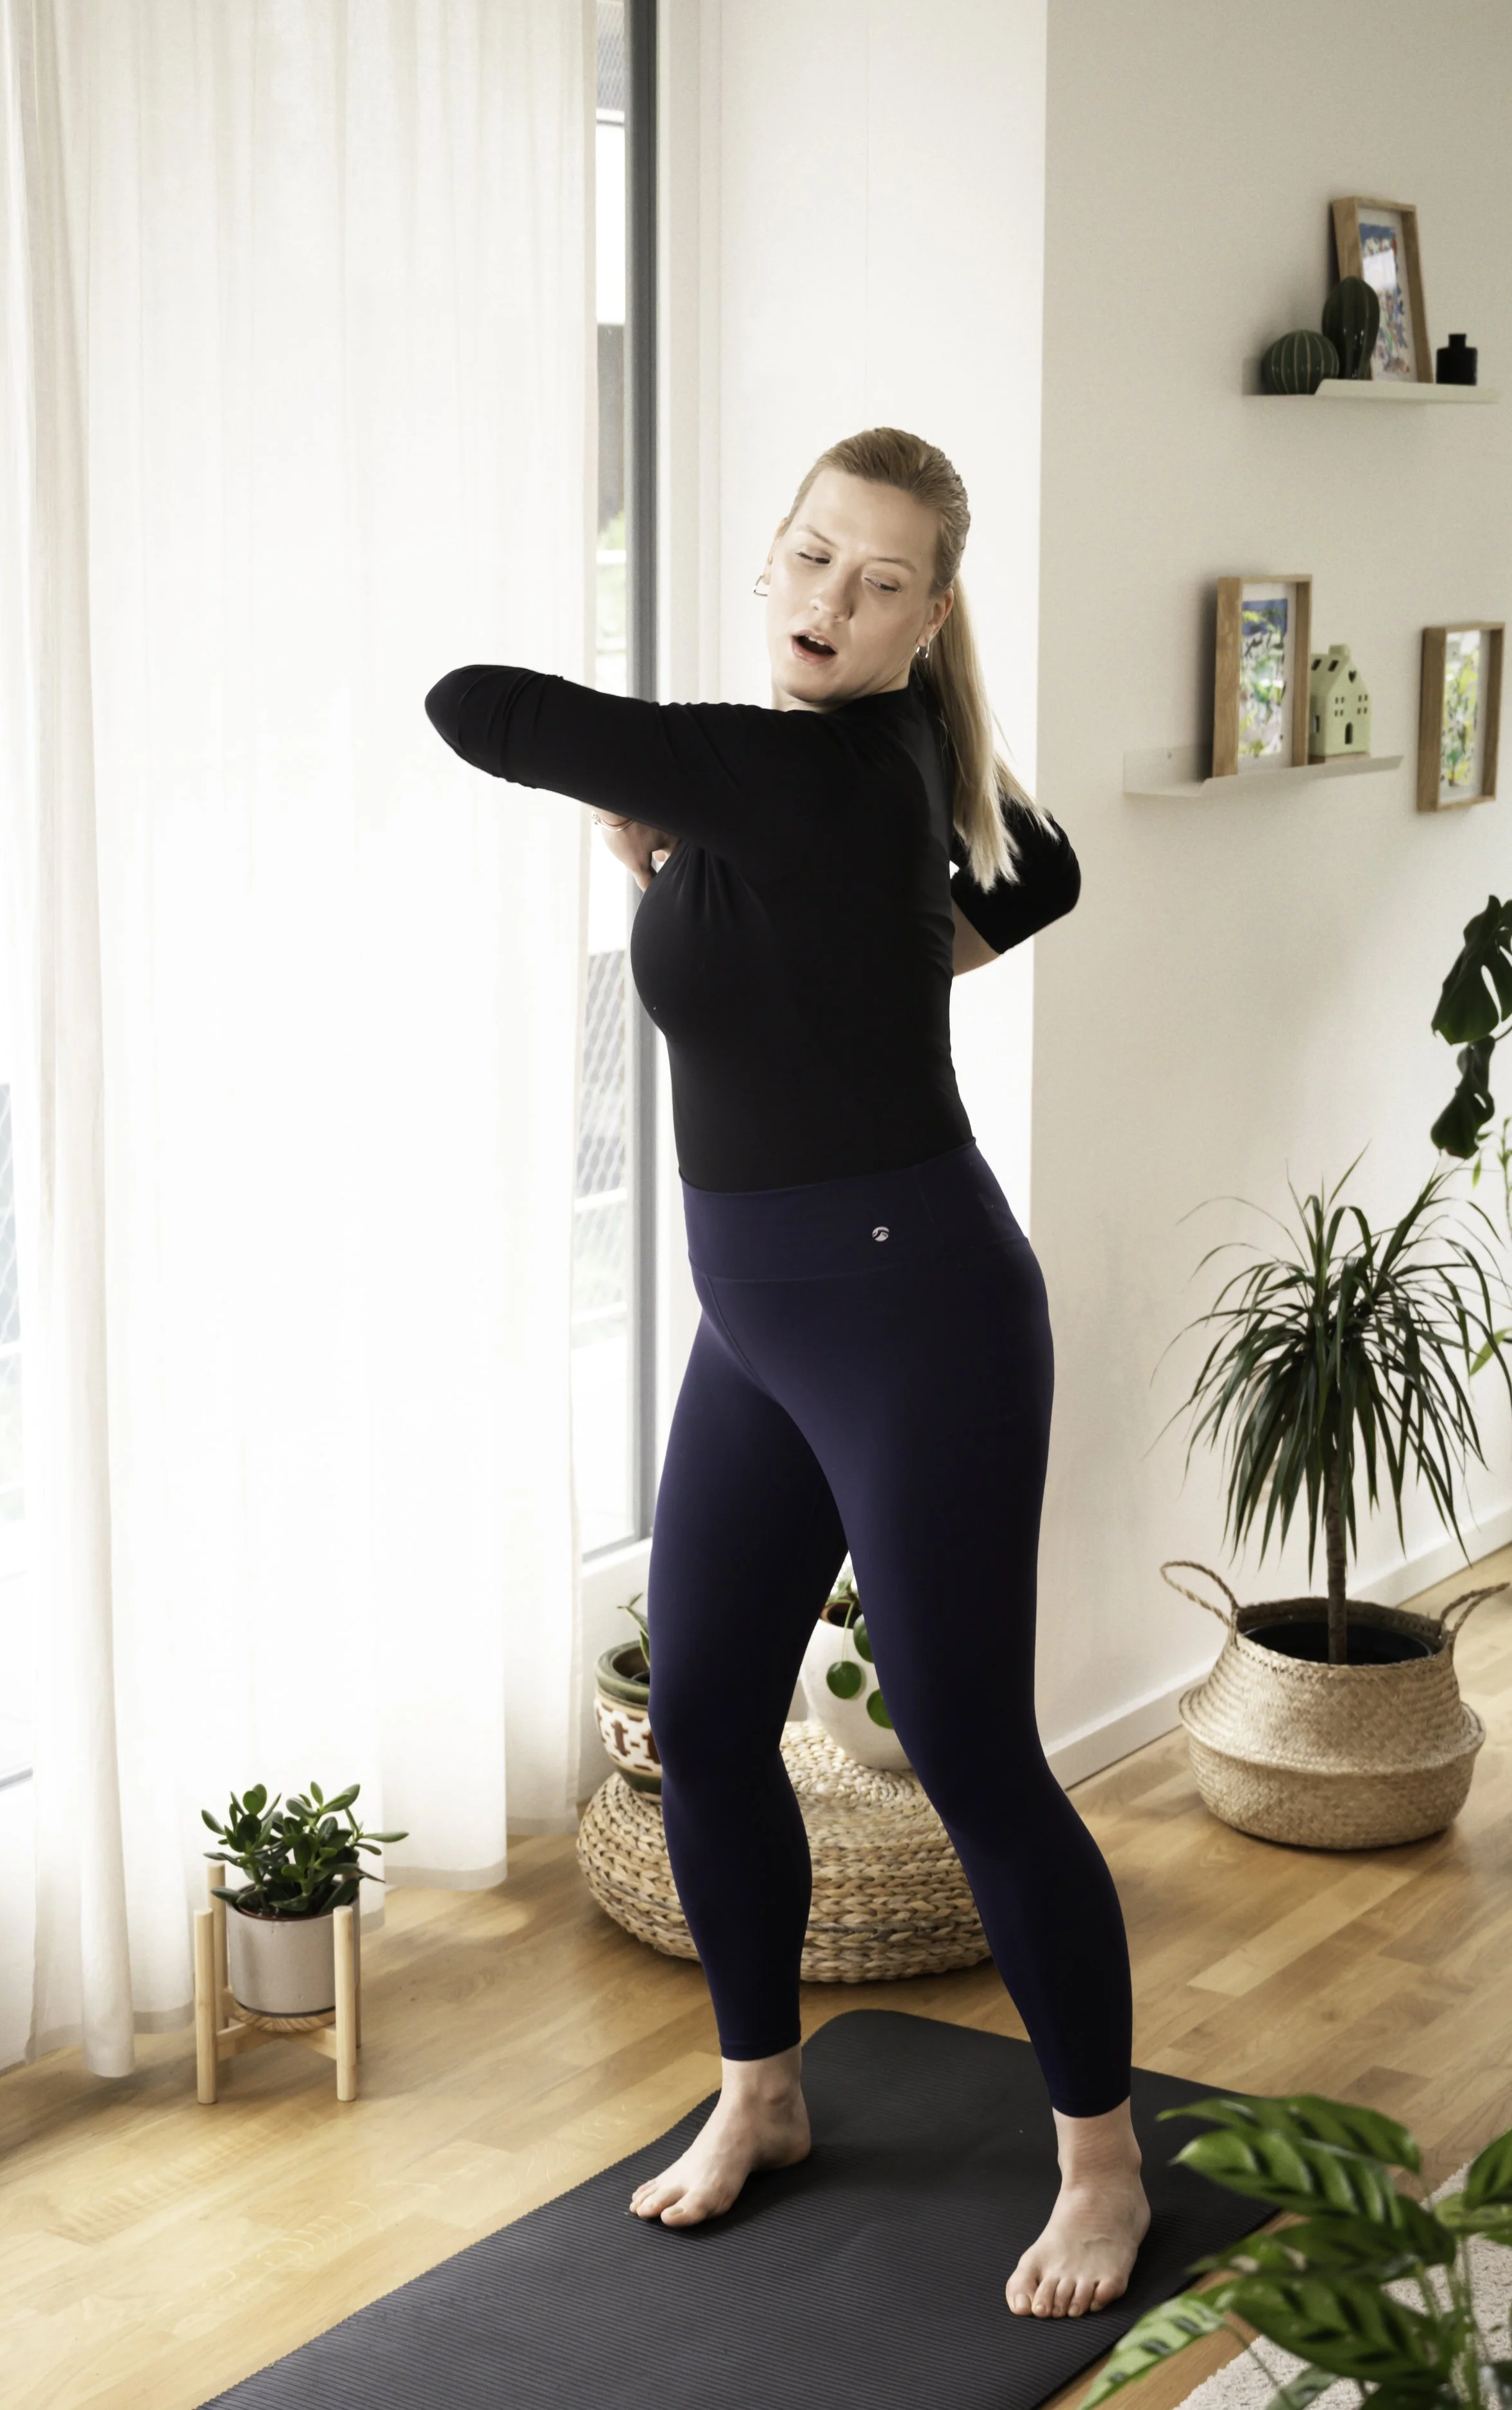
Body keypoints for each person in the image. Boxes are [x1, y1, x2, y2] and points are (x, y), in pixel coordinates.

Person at [425, 425, 1148, 2320]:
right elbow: (1040, 868)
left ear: (927, 614)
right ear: (772, 553)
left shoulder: (799, 764)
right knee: (709, 1711)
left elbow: (474, 702)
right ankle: (763, 2092)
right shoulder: (859, 772)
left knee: (976, 1754)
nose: (830, 601)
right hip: (754, 1320)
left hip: (918, 1317)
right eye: (812, 556)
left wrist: (651, 800)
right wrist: (858, 948)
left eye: (880, 579)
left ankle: (1102, 2162)